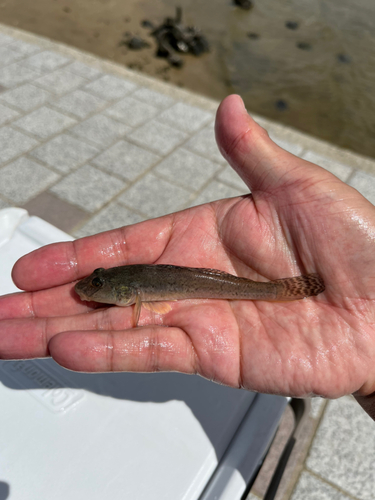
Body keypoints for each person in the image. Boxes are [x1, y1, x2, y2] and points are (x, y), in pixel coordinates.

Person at [1, 94, 375, 419]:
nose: (91, 287)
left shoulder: (131, 289)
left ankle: (280, 291)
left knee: (259, 289)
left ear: (128, 292)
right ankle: (280, 290)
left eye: (99, 283)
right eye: (98, 284)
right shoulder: (126, 286)